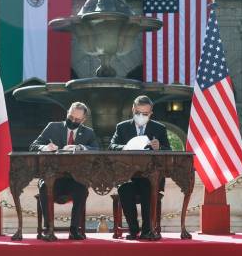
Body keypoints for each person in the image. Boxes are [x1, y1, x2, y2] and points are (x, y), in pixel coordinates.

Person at [30, 102, 99, 240]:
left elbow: (96, 150)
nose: (73, 121)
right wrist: (46, 147)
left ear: (83, 120)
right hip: (52, 177)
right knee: (44, 188)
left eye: (77, 120)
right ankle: (48, 229)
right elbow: (33, 146)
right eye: (71, 117)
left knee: (82, 190)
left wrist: (80, 147)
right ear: (67, 113)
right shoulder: (52, 127)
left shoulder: (88, 133)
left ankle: (74, 230)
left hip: (75, 178)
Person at [109, 95, 170, 240]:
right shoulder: (122, 127)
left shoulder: (159, 128)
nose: (141, 116)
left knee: (148, 188)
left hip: (150, 176)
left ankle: (147, 230)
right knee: (124, 189)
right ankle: (133, 229)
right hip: (128, 175)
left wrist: (159, 147)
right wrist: (126, 147)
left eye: (145, 114)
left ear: (151, 113)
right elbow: (112, 146)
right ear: (132, 110)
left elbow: (168, 150)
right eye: (138, 113)